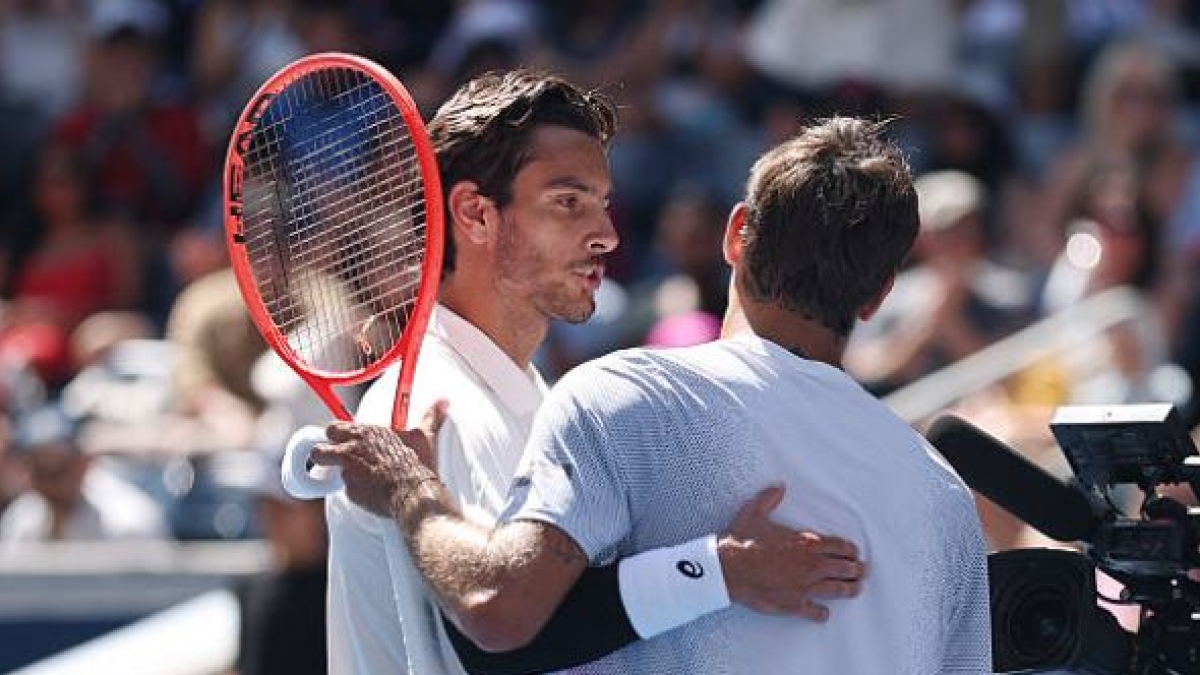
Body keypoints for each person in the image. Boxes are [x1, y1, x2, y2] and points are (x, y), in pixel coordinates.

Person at [316, 116, 992, 673]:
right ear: (878, 296)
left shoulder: (627, 399)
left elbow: (497, 613)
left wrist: (410, 488)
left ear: (735, 235)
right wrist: (714, 571)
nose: (604, 232)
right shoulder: (945, 500)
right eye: (570, 201)